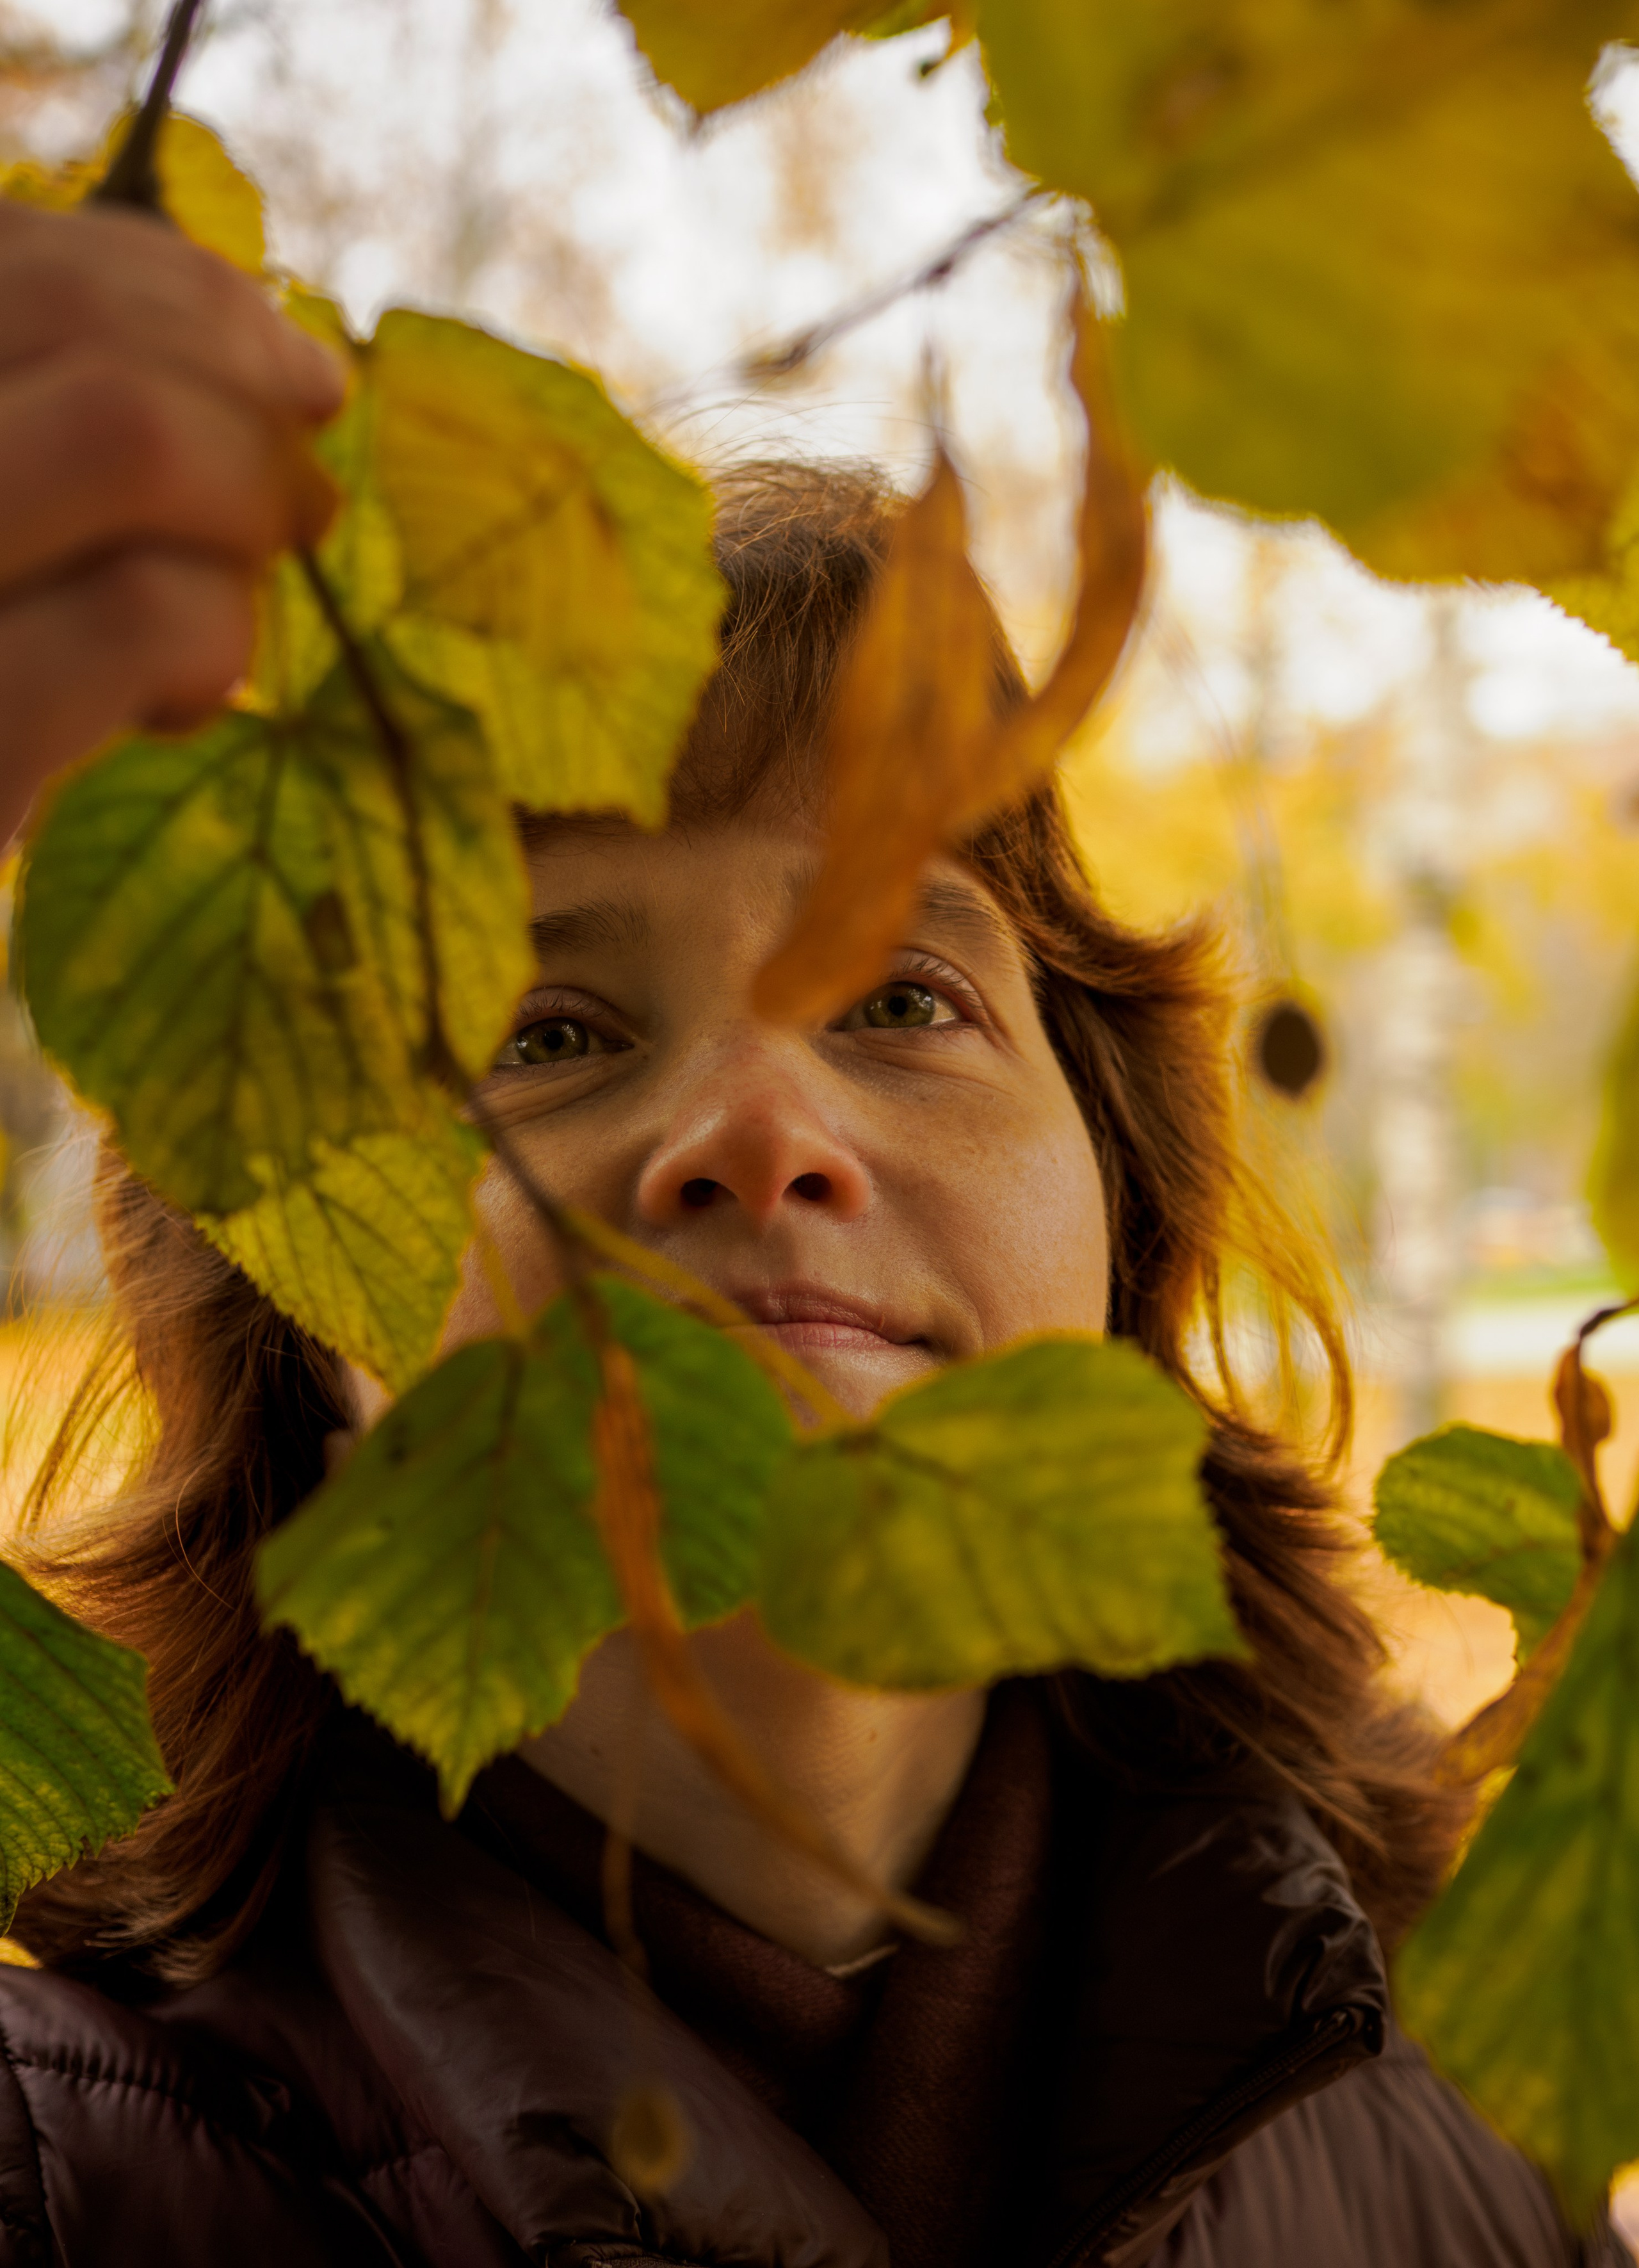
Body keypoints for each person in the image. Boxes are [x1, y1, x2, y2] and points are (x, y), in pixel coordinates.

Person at [0, 191, 1620, 2268]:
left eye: (899, 1000)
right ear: (292, 1294)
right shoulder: (63, 2192)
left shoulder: (1480, 2140)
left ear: (1123, 1213)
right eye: (551, 1028)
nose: (760, 1135)